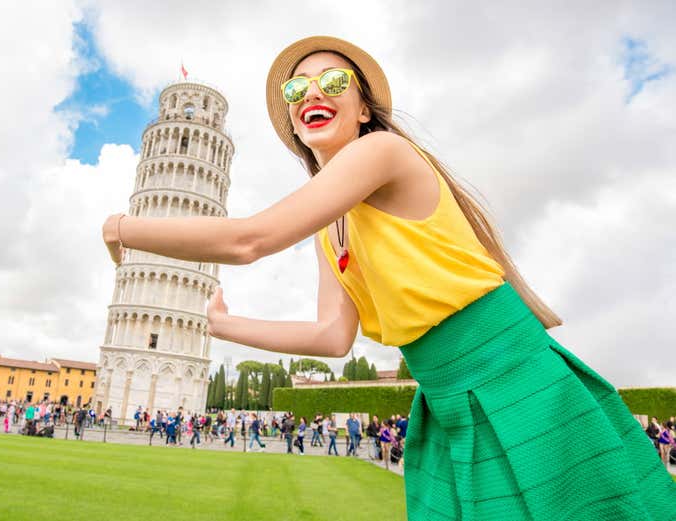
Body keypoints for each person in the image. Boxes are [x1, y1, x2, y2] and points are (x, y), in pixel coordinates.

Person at [102, 35, 676, 519]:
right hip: (446, 400)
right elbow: (331, 337)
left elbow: (249, 239)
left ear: (363, 109)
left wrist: (125, 226)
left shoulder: (383, 152)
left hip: (510, 379)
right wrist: (225, 327)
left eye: (333, 83)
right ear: (296, 126)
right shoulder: (335, 228)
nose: (311, 96)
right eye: (296, 91)